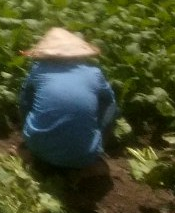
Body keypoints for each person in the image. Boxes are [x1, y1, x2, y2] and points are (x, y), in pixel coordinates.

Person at [18, 28, 118, 171]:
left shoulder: (39, 70)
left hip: (39, 151)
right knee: (109, 104)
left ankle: (33, 143)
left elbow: (23, 102)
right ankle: (94, 150)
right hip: (84, 156)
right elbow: (110, 104)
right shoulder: (94, 73)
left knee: (27, 96)